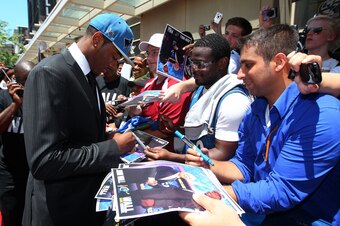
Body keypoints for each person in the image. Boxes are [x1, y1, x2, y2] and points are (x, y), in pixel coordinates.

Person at [185, 24, 340, 225]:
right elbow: (244, 166)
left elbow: (281, 191)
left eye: (248, 65)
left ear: (278, 62)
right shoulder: (255, 110)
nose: (239, 74)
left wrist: (205, 193)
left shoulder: (322, 116)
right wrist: (208, 166)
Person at [22, 13, 136, 226]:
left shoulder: (89, 77)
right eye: (114, 56)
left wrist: (104, 136)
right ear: (97, 40)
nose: (114, 65)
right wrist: (112, 148)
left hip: (81, 208)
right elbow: (44, 160)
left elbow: (77, 136)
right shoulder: (50, 73)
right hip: (58, 212)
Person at [145, 34, 252, 162]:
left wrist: (171, 157)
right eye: (192, 63)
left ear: (222, 63)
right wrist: (177, 130)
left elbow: (222, 154)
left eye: (200, 64)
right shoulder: (201, 87)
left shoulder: (233, 102)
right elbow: (195, 142)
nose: (194, 69)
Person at [127, 33, 192, 151]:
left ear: (169, 55)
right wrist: (134, 110)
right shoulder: (148, 84)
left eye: (154, 53)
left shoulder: (177, 86)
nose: (148, 59)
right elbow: (137, 114)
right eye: (148, 53)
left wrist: (127, 139)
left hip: (164, 157)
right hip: (144, 150)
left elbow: (164, 132)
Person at [0, 60, 35, 226]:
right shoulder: (3, 97)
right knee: (12, 216)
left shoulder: (41, 97)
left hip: (34, 171)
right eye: (27, 81)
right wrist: (15, 105)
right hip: (9, 174)